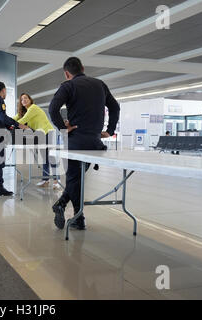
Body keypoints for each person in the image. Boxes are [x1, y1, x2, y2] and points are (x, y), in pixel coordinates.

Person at [49, 57, 120, 230]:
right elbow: (115, 107)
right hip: (95, 142)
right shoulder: (100, 84)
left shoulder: (68, 86)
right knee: (78, 179)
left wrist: (63, 129)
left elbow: (53, 109)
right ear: (83, 68)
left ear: (67, 74)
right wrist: (109, 131)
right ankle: (70, 211)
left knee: (74, 178)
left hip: (75, 141)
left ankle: (76, 216)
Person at [0, 82, 27, 196]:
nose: (5, 93)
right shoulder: (0, 100)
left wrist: (10, 126)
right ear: (3, 90)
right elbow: (3, 117)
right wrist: (18, 125)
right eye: (5, 90)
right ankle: (0, 188)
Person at [13, 93, 60, 189]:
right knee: (44, 158)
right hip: (41, 135)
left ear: (30, 99)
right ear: (21, 103)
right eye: (22, 99)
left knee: (51, 157)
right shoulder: (24, 112)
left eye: (26, 98)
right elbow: (14, 119)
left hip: (48, 133)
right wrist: (5, 121)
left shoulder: (33, 108)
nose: (24, 100)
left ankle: (56, 181)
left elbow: (22, 120)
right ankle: (45, 180)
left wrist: (12, 125)